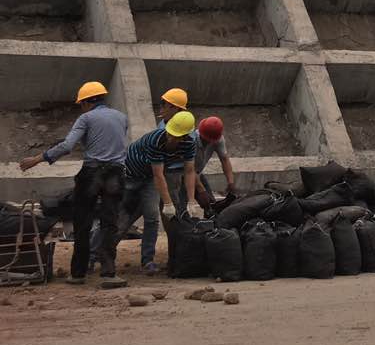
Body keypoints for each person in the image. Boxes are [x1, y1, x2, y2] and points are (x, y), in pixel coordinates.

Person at [18, 81, 129, 288]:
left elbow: (68, 145)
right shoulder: (122, 117)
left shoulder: (86, 117)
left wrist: (38, 158)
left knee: (82, 223)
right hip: (115, 172)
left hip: (92, 172)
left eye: (81, 104)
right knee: (110, 223)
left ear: (87, 102)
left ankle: (78, 273)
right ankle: (109, 274)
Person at [112, 111, 199, 275]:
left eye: (177, 136)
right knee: (121, 217)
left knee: (151, 217)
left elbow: (189, 171)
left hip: (149, 178)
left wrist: (191, 200)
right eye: (171, 133)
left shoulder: (189, 143)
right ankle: (96, 255)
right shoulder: (156, 140)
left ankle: (147, 261)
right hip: (129, 176)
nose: (171, 138)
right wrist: (167, 203)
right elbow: (159, 174)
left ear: (186, 136)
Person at [165, 116, 235, 212]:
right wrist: (201, 190)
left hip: (197, 173)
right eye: (205, 139)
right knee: (180, 209)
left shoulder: (218, 139)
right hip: (180, 175)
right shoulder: (191, 141)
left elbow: (224, 160)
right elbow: (189, 169)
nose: (208, 142)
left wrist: (231, 182)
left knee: (211, 205)